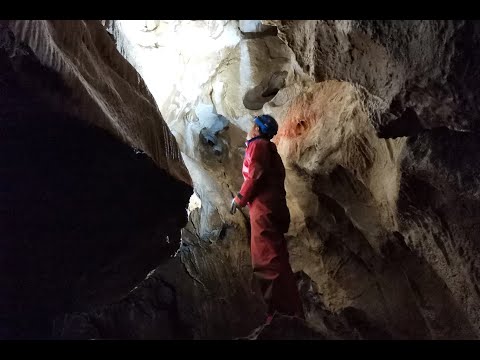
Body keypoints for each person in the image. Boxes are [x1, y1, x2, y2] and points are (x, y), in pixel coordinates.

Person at [230, 114, 305, 323]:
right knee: (277, 258)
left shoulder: (259, 146)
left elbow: (255, 174)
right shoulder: (270, 150)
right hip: (272, 208)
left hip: (264, 210)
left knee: (266, 261)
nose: (249, 128)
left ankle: (280, 314)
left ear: (257, 129)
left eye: (252, 125)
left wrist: (239, 198)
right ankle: (292, 310)